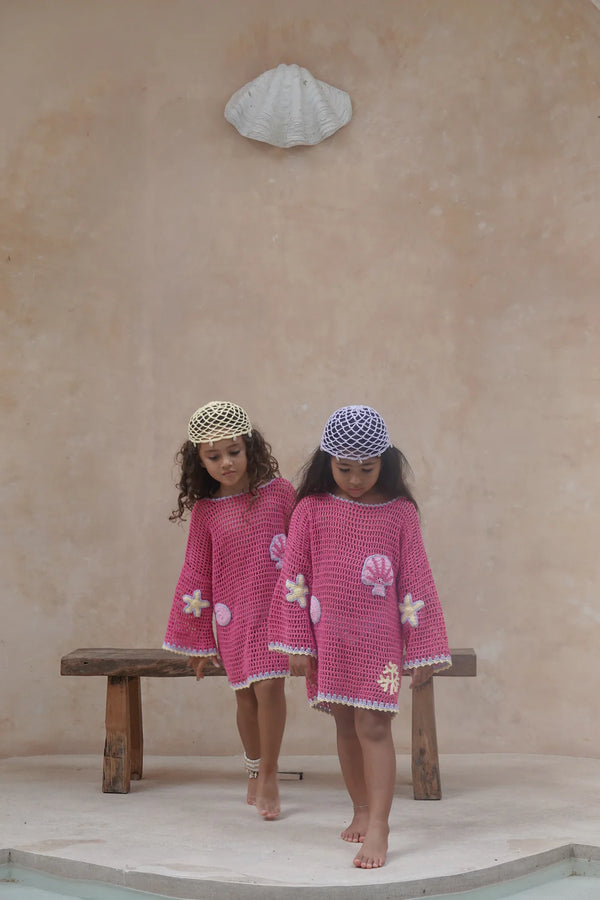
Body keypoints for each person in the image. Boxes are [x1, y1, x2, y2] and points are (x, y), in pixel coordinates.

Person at [268, 405, 451, 866]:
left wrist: (423, 647)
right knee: (345, 724)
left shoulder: (399, 513)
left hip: (379, 641)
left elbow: (416, 580)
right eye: (344, 468)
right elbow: (294, 578)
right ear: (327, 461)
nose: (355, 479)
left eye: (366, 469)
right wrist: (297, 642)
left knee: (374, 726)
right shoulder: (310, 510)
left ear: (383, 462)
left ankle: (381, 825)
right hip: (329, 638)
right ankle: (361, 809)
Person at [163, 400, 295, 820]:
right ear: (199, 462)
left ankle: (270, 774)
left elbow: (306, 548)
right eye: (214, 456)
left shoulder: (280, 493)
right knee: (246, 697)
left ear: (250, 448)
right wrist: (197, 641)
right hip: (232, 615)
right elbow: (195, 574)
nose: (226, 463)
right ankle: (253, 767)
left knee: (270, 688)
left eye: (234, 451)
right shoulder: (206, 512)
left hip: (277, 611)